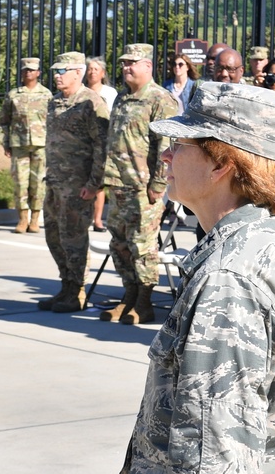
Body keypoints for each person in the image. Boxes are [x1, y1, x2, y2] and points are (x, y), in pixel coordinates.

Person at [83, 83, 275, 474]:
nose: (167, 155)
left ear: (221, 165)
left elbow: (211, 450)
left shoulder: (229, 278)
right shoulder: (259, 243)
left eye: (182, 144)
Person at [101, 43, 180, 324]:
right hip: (118, 183)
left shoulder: (161, 99)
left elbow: (166, 146)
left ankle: (144, 302)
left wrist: (158, 184)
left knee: (142, 246)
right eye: (123, 63)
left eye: (132, 63)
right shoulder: (122, 98)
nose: (126, 68)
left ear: (147, 66)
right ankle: (129, 295)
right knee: (120, 244)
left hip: (143, 187)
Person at [38, 51, 110, 313]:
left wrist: (94, 184)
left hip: (79, 187)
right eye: (55, 71)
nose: (57, 75)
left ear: (78, 73)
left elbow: (102, 146)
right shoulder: (54, 102)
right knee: (54, 237)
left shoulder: (92, 103)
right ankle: (66, 285)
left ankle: (78, 291)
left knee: (74, 238)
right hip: (55, 183)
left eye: (62, 71)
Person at [0, 57, 51, 233]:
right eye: (25, 70)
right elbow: (4, 121)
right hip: (19, 144)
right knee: (20, 182)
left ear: (38, 73)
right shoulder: (13, 95)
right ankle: (22, 218)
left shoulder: (47, 95)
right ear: (21, 73)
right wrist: (5, 142)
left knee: (38, 182)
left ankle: (35, 218)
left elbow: (53, 121)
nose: (28, 73)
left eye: (31, 70)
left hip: (41, 144)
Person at [86, 55, 119, 232]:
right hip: (84, 143)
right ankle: (85, 218)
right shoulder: (81, 91)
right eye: (89, 69)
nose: (92, 72)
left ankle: (97, 220)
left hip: (102, 141)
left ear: (103, 73)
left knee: (98, 182)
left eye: (95, 69)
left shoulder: (109, 93)